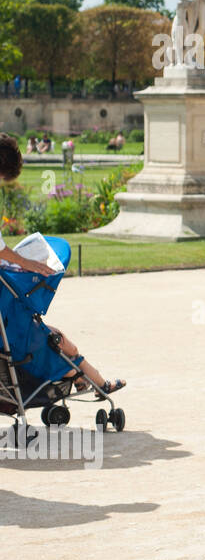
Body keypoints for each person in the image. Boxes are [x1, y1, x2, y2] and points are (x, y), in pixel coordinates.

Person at [0, 134, 124, 395]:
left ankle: (91, 381)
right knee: (59, 343)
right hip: (20, 342)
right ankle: (97, 383)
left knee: (52, 339)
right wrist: (27, 263)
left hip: (12, 332)